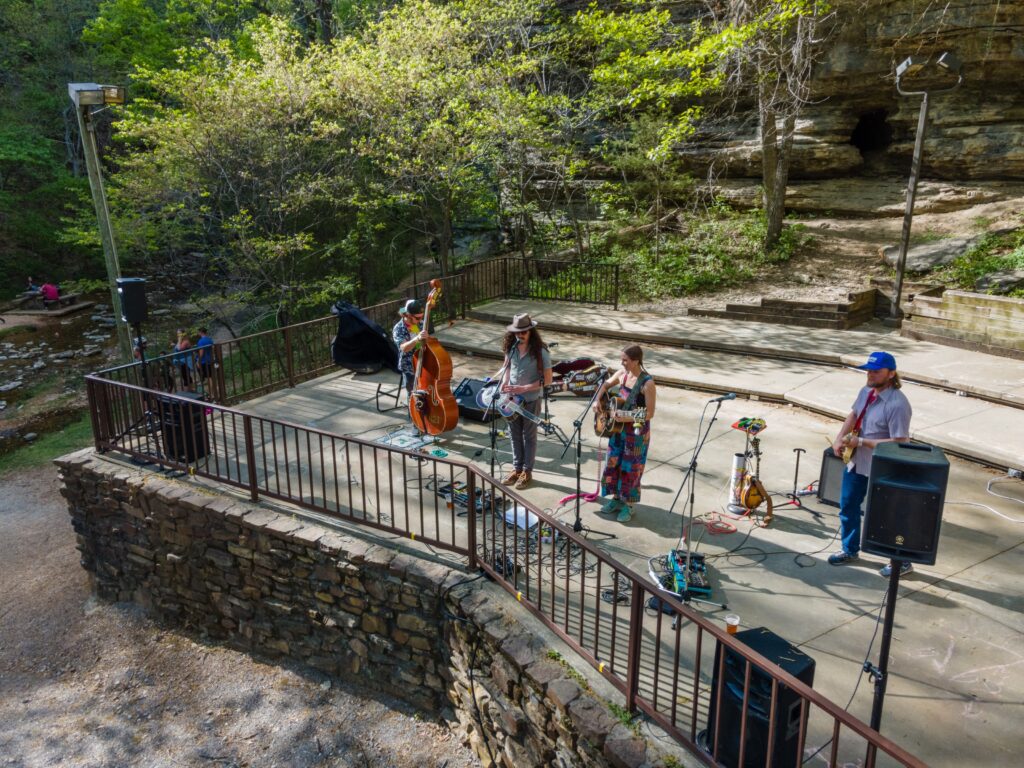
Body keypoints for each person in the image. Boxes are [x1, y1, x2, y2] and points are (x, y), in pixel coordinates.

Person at [828, 351, 913, 576]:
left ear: (891, 373)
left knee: (886, 514)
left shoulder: (897, 404)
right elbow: (854, 415)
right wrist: (839, 438)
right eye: (868, 370)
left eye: (876, 371)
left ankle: (900, 560)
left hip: (882, 467)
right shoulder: (866, 391)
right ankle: (849, 549)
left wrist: (862, 441)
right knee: (848, 505)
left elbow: (899, 442)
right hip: (857, 462)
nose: (870, 375)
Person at [592, 345, 656, 523]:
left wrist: (626, 417)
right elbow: (604, 385)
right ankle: (616, 499)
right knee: (614, 463)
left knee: (631, 469)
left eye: (626, 360)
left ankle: (629, 506)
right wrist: (598, 400)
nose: (622, 363)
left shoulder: (647, 383)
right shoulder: (622, 374)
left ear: (636, 361)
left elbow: (650, 413)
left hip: (636, 433)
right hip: (617, 430)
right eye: (622, 360)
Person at [495, 313, 553, 491]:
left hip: (530, 399)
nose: (520, 336)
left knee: (529, 435)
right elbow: (507, 367)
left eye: (523, 333)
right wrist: (505, 381)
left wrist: (525, 388)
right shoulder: (511, 347)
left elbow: (548, 380)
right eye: (517, 333)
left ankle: (527, 472)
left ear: (530, 332)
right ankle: (517, 468)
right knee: (514, 434)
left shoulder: (540, 351)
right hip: (512, 400)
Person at [392, 299, 428, 396]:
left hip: (423, 363)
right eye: (417, 318)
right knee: (412, 395)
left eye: (421, 317)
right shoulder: (399, 328)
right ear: (408, 315)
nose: (420, 320)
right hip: (409, 366)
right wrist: (417, 338)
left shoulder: (420, 324)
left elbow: (426, 342)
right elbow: (404, 348)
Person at [195, 327, 215, 400]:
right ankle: (211, 393)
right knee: (210, 377)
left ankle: (210, 394)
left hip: (203, 361)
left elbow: (201, 352)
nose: (198, 333)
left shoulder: (200, 341)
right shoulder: (210, 339)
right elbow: (212, 349)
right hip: (209, 360)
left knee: (208, 378)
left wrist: (198, 361)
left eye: (198, 332)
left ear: (201, 332)